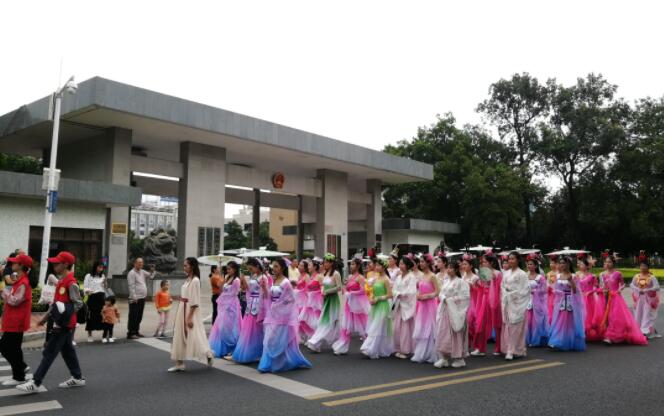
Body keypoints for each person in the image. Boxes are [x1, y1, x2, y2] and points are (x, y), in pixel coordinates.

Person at [18, 251, 85, 393]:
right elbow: (55, 304)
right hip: (60, 322)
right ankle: (78, 377)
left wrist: (64, 311)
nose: (54, 265)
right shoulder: (61, 281)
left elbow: (79, 303)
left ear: (66, 264)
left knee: (49, 352)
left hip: (64, 323)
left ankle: (36, 382)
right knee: (68, 351)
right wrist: (44, 319)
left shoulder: (71, 283)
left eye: (57, 263)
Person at [258, 258, 311, 373]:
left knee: (279, 339)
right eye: (273, 266)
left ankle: (281, 363)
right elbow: (269, 297)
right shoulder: (274, 280)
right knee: (269, 339)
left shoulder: (286, 282)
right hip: (272, 314)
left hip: (282, 316)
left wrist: (279, 306)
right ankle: (271, 362)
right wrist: (264, 287)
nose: (274, 268)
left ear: (282, 268)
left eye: (276, 266)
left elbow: (291, 299)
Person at [169, 257, 214, 372]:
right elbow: (186, 295)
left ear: (192, 266)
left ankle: (208, 353)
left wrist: (189, 317)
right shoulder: (188, 279)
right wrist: (178, 298)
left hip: (189, 311)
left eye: (186, 265)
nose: (184, 267)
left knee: (194, 335)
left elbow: (195, 301)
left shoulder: (195, 280)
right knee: (179, 334)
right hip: (182, 308)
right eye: (184, 265)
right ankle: (179, 363)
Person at [600, 253, 647, 345]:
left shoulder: (618, 273)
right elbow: (601, 286)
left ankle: (611, 336)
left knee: (614, 316)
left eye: (609, 262)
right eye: (606, 262)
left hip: (615, 298)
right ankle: (608, 334)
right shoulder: (602, 274)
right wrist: (603, 290)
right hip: (606, 297)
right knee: (606, 315)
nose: (607, 264)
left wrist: (618, 290)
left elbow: (623, 284)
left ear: (613, 263)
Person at [0, 253, 33, 386]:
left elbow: (14, 301)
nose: (11, 264)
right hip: (14, 320)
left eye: (14, 262)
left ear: (21, 265)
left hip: (16, 321)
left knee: (4, 347)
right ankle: (19, 376)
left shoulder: (23, 283)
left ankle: (21, 367)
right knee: (14, 348)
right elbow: (10, 281)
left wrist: (2, 291)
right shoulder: (20, 279)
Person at [232, 258, 271, 363]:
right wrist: (244, 281)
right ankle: (251, 351)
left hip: (258, 305)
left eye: (251, 268)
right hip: (251, 304)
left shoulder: (264, 277)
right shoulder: (254, 276)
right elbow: (248, 290)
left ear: (257, 266)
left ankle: (258, 352)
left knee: (257, 330)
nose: (250, 270)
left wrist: (264, 288)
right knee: (249, 329)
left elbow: (267, 295)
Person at [435, 260, 471, 368]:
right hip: (445, 311)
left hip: (455, 312)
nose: (449, 270)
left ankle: (459, 358)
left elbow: (465, 297)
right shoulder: (446, 281)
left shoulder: (461, 282)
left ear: (456, 270)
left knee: (455, 333)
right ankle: (444, 357)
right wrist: (443, 298)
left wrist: (450, 300)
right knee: (443, 333)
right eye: (448, 268)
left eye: (451, 268)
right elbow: (441, 293)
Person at [332, 258, 370, 355]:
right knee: (346, 326)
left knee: (363, 326)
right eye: (350, 264)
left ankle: (368, 347)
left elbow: (363, 291)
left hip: (358, 306)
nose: (351, 266)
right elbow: (345, 287)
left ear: (358, 266)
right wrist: (345, 291)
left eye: (353, 264)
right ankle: (342, 347)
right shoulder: (349, 277)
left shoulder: (360, 277)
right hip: (349, 304)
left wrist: (351, 293)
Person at [307, 253, 342, 353]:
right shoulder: (325, 274)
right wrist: (323, 291)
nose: (324, 264)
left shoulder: (336, 273)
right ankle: (325, 342)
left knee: (330, 321)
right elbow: (322, 285)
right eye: (324, 262)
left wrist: (327, 291)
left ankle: (316, 342)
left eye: (326, 262)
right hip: (326, 300)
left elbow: (339, 287)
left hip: (333, 300)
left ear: (331, 263)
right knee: (325, 320)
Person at [548, 257, 585, 351]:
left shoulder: (574, 276)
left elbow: (576, 291)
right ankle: (556, 340)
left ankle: (567, 341)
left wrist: (571, 281)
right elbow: (555, 288)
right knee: (559, 321)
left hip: (570, 301)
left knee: (569, 322)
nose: (562, 265)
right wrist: (556, 291)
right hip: (560, 302)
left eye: (564, 263)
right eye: (560, 263)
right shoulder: (557, 276)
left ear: (568, 264)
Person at [360, 259, 395, 359]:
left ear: (383, 267)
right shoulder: (376, 278)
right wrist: (371, 298)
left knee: (377, 327)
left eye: (378, 266)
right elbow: (372, 291)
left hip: (383, 306)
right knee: (377, 327)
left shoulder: (386, 279)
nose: (376, 267)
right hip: (375, 306)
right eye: (376, 265)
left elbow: (390, 295)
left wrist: (378, 298)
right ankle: (378, 348)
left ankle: (369, 348)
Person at [209, 261, 242, 358]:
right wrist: (221, 281)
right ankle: (224, 348)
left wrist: (226, 301)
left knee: (230, 327)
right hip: (224, 305)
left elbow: (234, 294)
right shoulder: (227, 277)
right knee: (221, 326)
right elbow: (221, 289)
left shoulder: (236, 280)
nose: (228, 270)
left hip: (231, 306)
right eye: (227, 269)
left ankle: (232, 348)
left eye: (229, 269)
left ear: (234, 269)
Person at [500, 252, 530, 361]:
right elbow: (502, 286)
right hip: (508, 302)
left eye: (513, 259)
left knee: (516, 327)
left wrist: (513, 294)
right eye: (509, 259)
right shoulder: (506, 273)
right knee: (508, 326)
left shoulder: (522, 274)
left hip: (517, 303)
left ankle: (512, 350)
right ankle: (510, 348)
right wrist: (506, 293)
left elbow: (525, 290)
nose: (510, 261)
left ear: (518, 260)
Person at [411, 254, 440, 363]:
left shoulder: (433, 276)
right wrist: (418, 295)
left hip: (431, 305)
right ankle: (422, 352)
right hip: (422, 305)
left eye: (423, 261)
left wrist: (427, 296)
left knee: (431, 327)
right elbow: (419, 289)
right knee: (422, 326)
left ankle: (432, 352)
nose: (421, 263)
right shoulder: (421, 276)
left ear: (428, 263)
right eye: (420, 262)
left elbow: (438, 291)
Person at [393, 256, 418, 359]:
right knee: (396, 328)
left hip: (406, 305)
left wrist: (400, 294)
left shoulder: (411, 277)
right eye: (400, 263)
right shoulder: (398, 277)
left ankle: (406, 350)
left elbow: (411, 292)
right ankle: (399, 348)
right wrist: (397, 293)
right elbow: (394, 289)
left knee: (405, 329)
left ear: (407, 265)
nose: (400, 265)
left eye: (402, 264)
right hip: (399, 304)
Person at [631, 254, 661, 339]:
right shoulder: (637, 276)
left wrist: (647, 290)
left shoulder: (651, 277)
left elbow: (657, 287)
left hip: (648, 299)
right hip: (639, 299)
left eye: (644, 266)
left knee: (647, 314)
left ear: (648, 267)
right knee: (638, 313)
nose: (642, 267)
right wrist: (638, 289)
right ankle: (638, 328)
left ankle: (645, 331)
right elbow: (631, 284)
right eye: (641, 266)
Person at [577, 255, 605, 342]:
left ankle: (588, 332)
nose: (580, 266)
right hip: (579, 297)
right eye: (579, 264)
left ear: (587, 266)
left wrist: (591, 292)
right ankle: (581, 332)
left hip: (589, 298)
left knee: (588, 315)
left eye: (582, 264)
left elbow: (597, 287)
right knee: (580, 314)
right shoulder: (577, 275)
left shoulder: (592, 276)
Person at [127, 258, 155, 339]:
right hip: (135, 298)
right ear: (135, 263)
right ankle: (131, 333)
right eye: (139, 262)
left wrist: (152, 271)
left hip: (142, 297)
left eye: (142, 262)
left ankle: (136, 331)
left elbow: (151, 276)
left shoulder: (142, 272)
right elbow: (131, 286)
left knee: (139, 316)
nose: (141, 264)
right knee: (133, 316)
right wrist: (134, 297)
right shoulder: (131, 273)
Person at [525, 255, 549, 347]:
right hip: (527, 301)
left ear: (536, 266)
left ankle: (536, 340)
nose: (529, 266)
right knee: (528, 321)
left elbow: (544, 290)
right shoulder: (525, 276)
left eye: (531, 264)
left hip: (537, 301)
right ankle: (529, 339)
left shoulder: (540, 277)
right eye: (528, 264)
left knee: (536, 321)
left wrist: (535, 291)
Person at [298, 259, 323, 342]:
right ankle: (311, 336)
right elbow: (307, 289)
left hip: (317, 302)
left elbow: (322, 289)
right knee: (302, 319)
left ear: (315, 267)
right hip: (309, 301)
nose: (308, 267)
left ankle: (316, 339)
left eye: (309, 265)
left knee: (315, 321)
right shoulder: (311, 277)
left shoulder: (319, 276)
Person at [83, 261, 106, 343]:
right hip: (93, 297)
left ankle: (104, 335)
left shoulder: (103, 276)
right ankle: (89, 335)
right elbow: (85, 287)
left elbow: (104, 288)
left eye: (102, 267)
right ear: (95, 267)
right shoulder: (88, 276)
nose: (100, 269)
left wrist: (105, 284)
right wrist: (88, 291)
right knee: (91, 316)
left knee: (103, 316)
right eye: (99, 267)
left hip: (101, 297)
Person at [461, 254, 479, 353]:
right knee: (464, 324)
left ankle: (476, 345)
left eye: (466, 264)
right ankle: (466, 345)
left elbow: (478, 290)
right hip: (464, 301)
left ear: (471, 266)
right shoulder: (463, 276)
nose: (463, 266)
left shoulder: (475, 277)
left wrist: (471, 286)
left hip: (472, 301)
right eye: (463, 264)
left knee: (472, 324)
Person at [546, 256, 559, 325]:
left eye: (553, 263)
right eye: (550, 263)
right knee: (550, 308)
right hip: (550, 294)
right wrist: (548, 287)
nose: (551, 265)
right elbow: (547, 283)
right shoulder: (548, 273)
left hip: (557, 294)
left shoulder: (559, 273)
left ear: (557, 264)